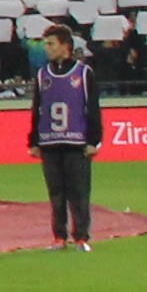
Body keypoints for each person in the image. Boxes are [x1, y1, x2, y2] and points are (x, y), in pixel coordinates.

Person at [29, 22, 100, 251]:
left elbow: (93, 108)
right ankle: (59, 237)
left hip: (76, 141)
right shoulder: (42, 75)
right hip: (50, 141)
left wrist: (93, 140)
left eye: (51, 44)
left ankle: (81, 236)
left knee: (78, 192)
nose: (47, 48)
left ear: (65, 46)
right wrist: (34, 140)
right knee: (56, 193)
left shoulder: (83, 72)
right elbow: (37, 108)